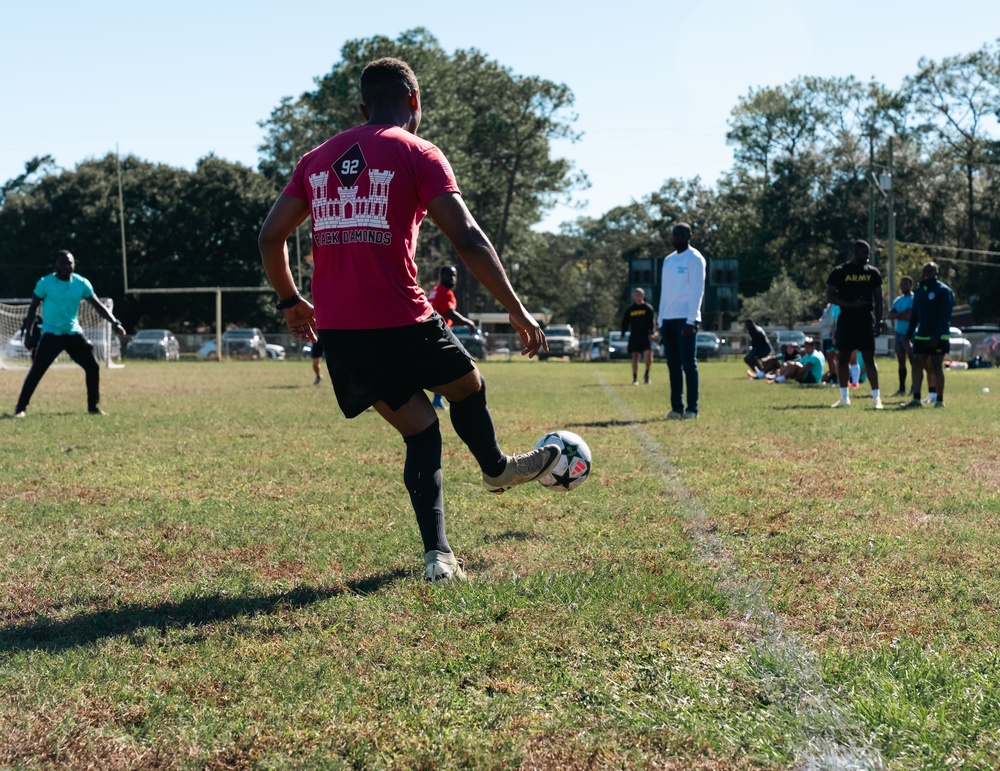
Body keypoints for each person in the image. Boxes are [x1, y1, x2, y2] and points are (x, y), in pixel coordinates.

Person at [257, 57, 561, 583]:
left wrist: (290, 302)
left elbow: (268, 237)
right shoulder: (418, 151)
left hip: (341, 333)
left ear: (363, 106)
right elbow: (466, 237)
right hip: (401, 319)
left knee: (421, 432)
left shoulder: (315, 159)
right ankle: (496, 469)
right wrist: (516, 309)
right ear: (414, 102)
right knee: (469, 387)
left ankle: (439, 557)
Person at [13, 250, 125, 418]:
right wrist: (28, 334)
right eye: (63, 263)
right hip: (51, 334)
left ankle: (93, 407)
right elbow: (32, 308)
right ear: (56, 265)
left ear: (74, 265)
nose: (66, 266)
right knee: (36, 371)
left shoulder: (81, 283)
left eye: (70, 263)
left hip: (73, 333)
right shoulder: (45, 283)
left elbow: (98, 305)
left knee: (92, 367)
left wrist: (115, 322)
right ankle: (20, 408)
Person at [825, 240, 883, 410]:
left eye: (868, 254)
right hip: (847, 319)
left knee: (869, 359)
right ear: (855, 253)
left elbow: (879, 300)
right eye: (864, 253)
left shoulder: (872, 273)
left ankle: (876, 398)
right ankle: (844, 397)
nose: (867, 257)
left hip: (865, 320)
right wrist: (851, 304)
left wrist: (879, 322)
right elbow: (830, 296)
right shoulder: (840, 271)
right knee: (843, 359)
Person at [658, 223, 706, 419]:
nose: (676, 237)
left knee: (688, 365)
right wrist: (660, 319)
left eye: (681, 234)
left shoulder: (695, 259)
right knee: (673, 365)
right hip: (668, 319)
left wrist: (691, 319)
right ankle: (676, 408)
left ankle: (692, 408)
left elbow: (697, 291)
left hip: (685, 319)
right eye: (674, 234)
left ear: (689, 236)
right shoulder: (668, 260)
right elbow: (664, 292)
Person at [901, 262, 953, 409]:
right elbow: (914, 315)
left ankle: (939, 400)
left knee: (936, 366)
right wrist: (908, 334)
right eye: (925, 271)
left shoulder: (943, 291)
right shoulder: (919, 291)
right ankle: (916, 399)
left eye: (930, 271)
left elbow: (945, 317)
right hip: (921, 335)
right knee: (917, 364)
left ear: (936, 273)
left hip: (939, 336)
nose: (926, 274)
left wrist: (936, 336)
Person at [428, 265, 477, 408]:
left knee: (439, 366)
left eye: (454, 275)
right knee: (448, 366)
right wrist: (468, 322)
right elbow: (449, 312)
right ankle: (439, 399)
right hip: (439, 333)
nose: (452, 278)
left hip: (429, 332)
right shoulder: (445, 292)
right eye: (449, 275)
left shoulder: (434, 291)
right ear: (441, 276)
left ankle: (437, 400)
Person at [621, 287, 656, 385]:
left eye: (639, 295)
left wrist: (651, 333)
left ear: (643, 296)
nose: (637, 297)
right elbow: (625, 322)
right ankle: (635, 378)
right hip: (635, 336)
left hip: (646, 336)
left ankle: (647, 374)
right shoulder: (630, 309)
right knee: (635, 356)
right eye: (635, 295)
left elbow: (651, 322)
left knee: (648, 354)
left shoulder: (648, 308)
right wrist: (623, 333)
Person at [887, 276, 914, 396]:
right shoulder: (897, 300)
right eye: (902, 284)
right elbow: (890, 315)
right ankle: (902, 389)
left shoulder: (914, 299)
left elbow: (910, 316)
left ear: (910, 285)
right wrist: (902, 314)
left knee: (914, 362)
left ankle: (914, 388)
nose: (903, 286)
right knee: (901, 362)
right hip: (899, 333)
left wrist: (898, 315)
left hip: (911, 333)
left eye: (906, 284)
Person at [818, 302, 839, 383]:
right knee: (829, 358)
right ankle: (833, 376)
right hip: (825, 336)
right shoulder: (827, 308)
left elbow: (831, 321)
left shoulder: (836, 306)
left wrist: (824, 322)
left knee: (834, 356)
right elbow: (821, 321)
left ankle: (838, 377)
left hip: (832, 336)